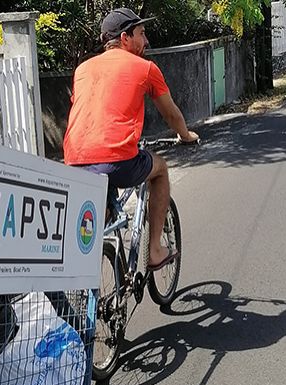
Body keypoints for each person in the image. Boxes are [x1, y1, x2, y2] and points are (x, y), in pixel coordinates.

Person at [63, 7, 199, 271]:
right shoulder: (145, 68)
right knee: (160, 169)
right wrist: (185, 135)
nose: (146, 41)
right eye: (141, 34)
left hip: (74, 160)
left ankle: (87, 268)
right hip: (116, 160)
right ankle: (155, 250)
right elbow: (171, 114)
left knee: (98, 212)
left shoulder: (82, 69)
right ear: (125, 38)